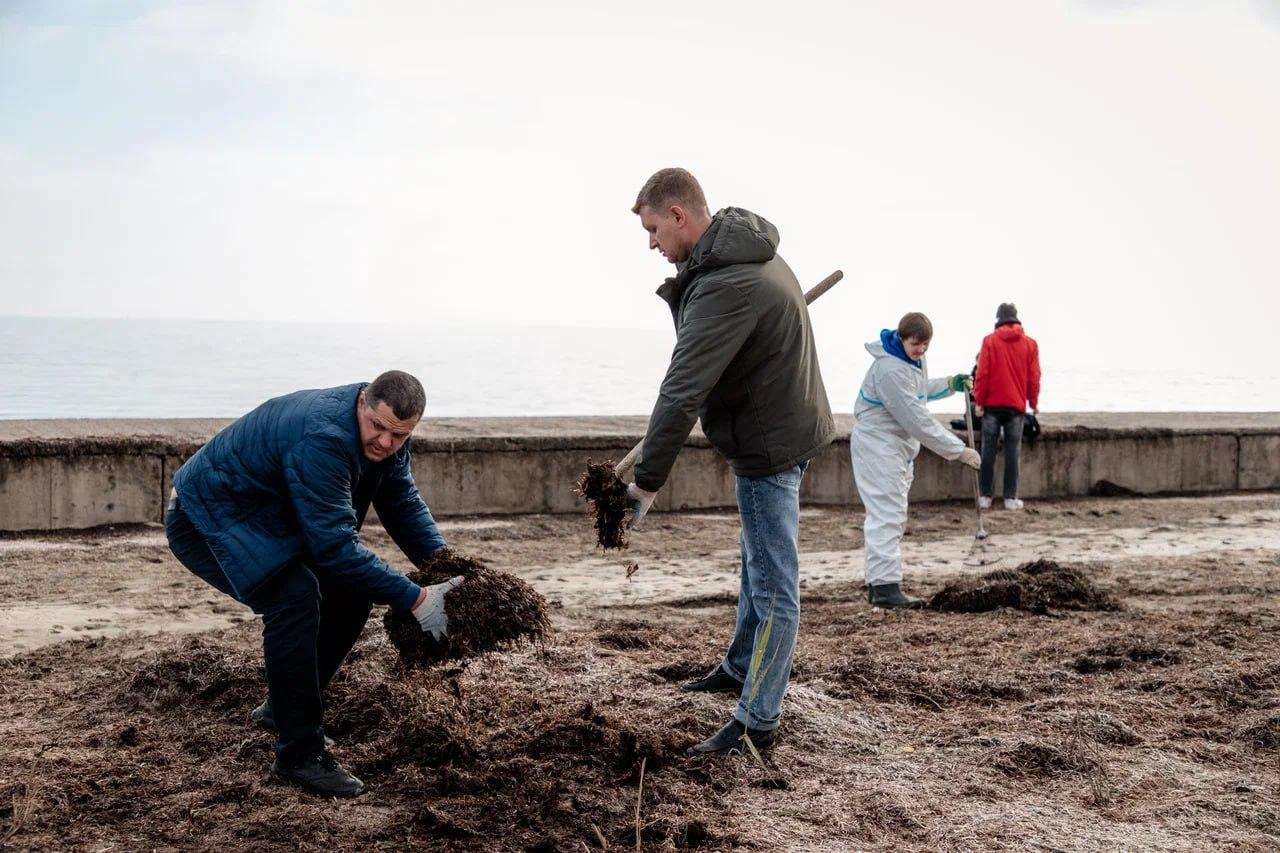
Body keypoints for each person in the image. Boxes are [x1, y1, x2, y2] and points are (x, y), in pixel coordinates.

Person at [164, 370, 462, 798]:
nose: (384, 442)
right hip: (205, 517)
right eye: (377, 427)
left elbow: (401, 503)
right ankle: (298, 755)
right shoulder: (323, 438)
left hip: (268, 516)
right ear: (363, 401)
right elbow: (335, 547)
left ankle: (282, 709)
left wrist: (447, 569)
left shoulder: (386, 435)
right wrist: (417, 599)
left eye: (399, 435)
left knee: (353, 592)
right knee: (294, 598)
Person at [624, 167, 835, 756]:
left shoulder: (726, 284)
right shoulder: (745, 253)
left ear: (679, 216)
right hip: (780, 429)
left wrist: (645, 483)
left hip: (770, 447)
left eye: (653, 230)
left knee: (773, 587)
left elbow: (681, 390)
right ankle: (741, 667)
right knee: (756, 565)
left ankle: (757, 719)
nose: (651, 244)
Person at [851, 313, 981, 609]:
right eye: (915, 344)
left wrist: (949, 384)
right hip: (878, 447)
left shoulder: (910, 361)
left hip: (895, 448)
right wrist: (958, 450)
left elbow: (918, 392)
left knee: (891, 513)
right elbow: (917, 419)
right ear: (901, 339)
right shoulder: (888, 370)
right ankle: (884, 587)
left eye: (925, 345)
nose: (920, 350)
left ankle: (880, 584)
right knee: (887, 514)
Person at [973, 302, 1041, 510]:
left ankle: (985, 496)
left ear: (998, 319)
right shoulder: (1030, 344)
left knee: (987, 451)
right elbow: (1034, 377)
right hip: (1015, 407)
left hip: (992, 406)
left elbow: (982, 374)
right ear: (1016, 318)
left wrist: (979, 401)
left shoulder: (989, 341)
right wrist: (1033, 402)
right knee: (1013, 452)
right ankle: (1010, 498)